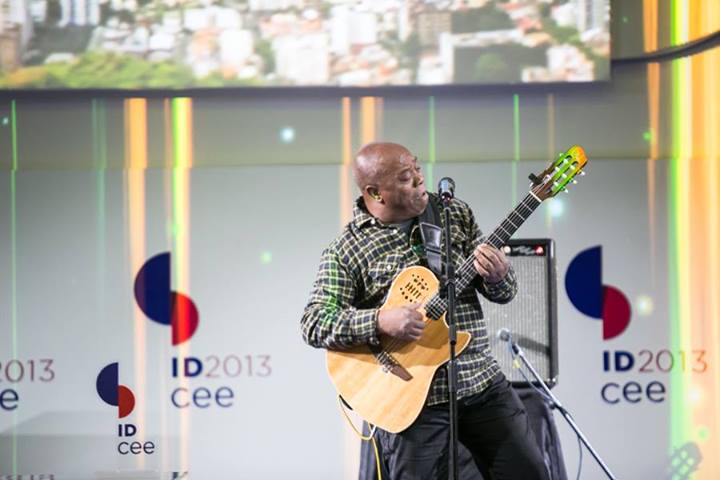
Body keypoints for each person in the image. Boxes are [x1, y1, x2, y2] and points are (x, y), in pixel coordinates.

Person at [301, 142, 549, 480]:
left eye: (417, 168)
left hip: (479, 380)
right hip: (412, 400)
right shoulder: (346, 250)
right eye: (406, 177)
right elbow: (314, 322)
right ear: (375, 193)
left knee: (530, 473)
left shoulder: (454, 214)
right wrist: (380, 320)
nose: (420, 179)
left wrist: (499, 276)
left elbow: (504, 294)